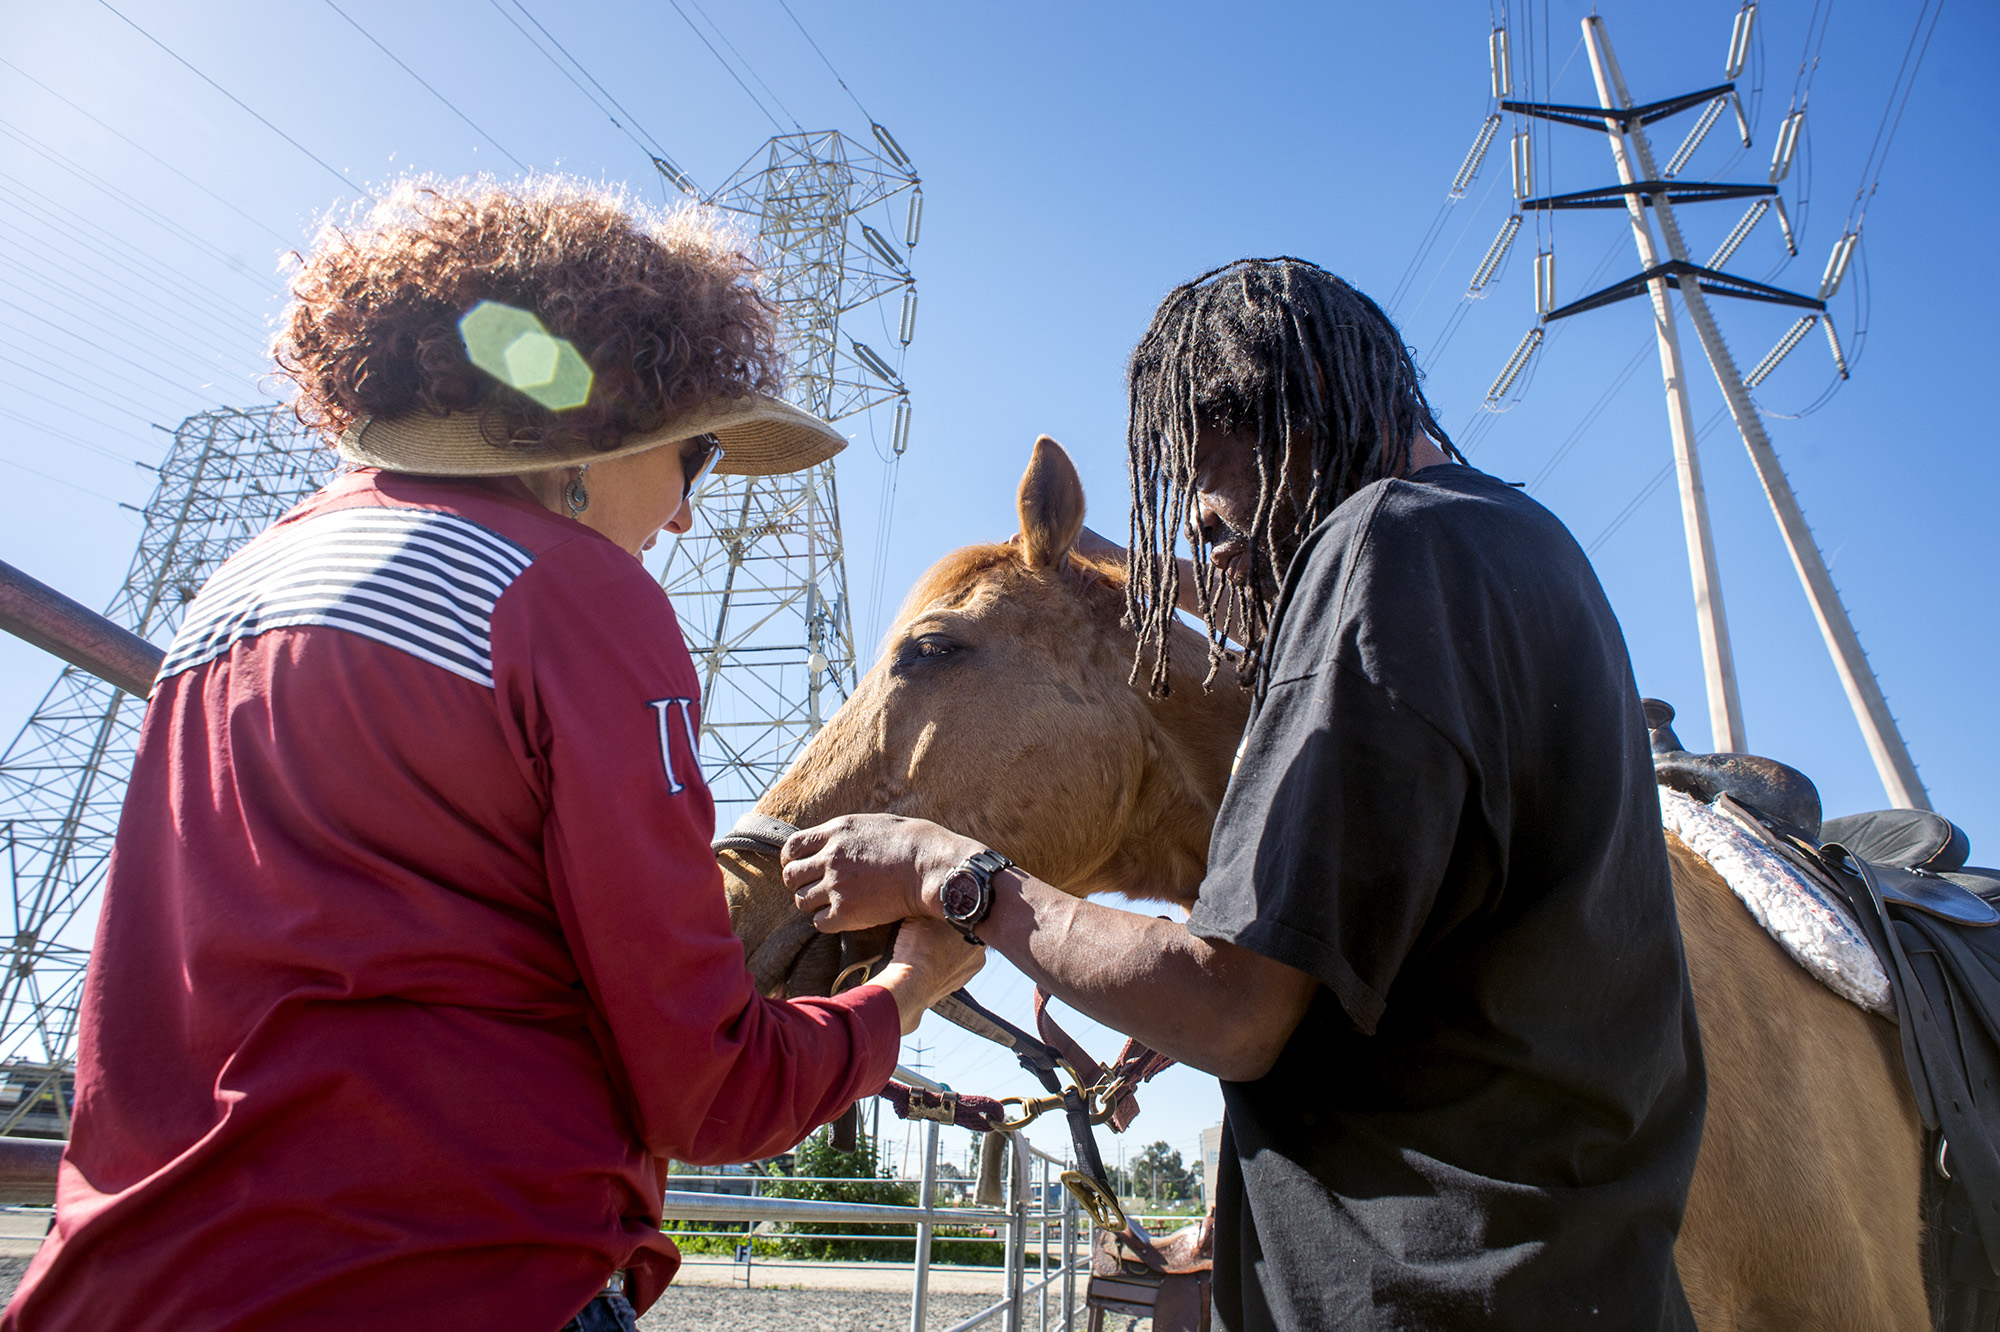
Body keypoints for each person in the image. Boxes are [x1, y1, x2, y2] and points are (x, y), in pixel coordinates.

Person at [0, 178, 977, 1332]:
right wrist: (902, 993)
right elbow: (708, 1092)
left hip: (125, 1282)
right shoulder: (572, 595)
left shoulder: (252, 577)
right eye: (696, 454)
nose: (683, 518)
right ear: (590, 424)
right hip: (449, 1276)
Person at [782, 258, 1706, 1330]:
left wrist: (948, 872)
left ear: (1295, 400)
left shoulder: (1378, 548)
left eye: (1205, 475)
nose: (1206, 533)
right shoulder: (1520, 549)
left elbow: (1234, 1010)